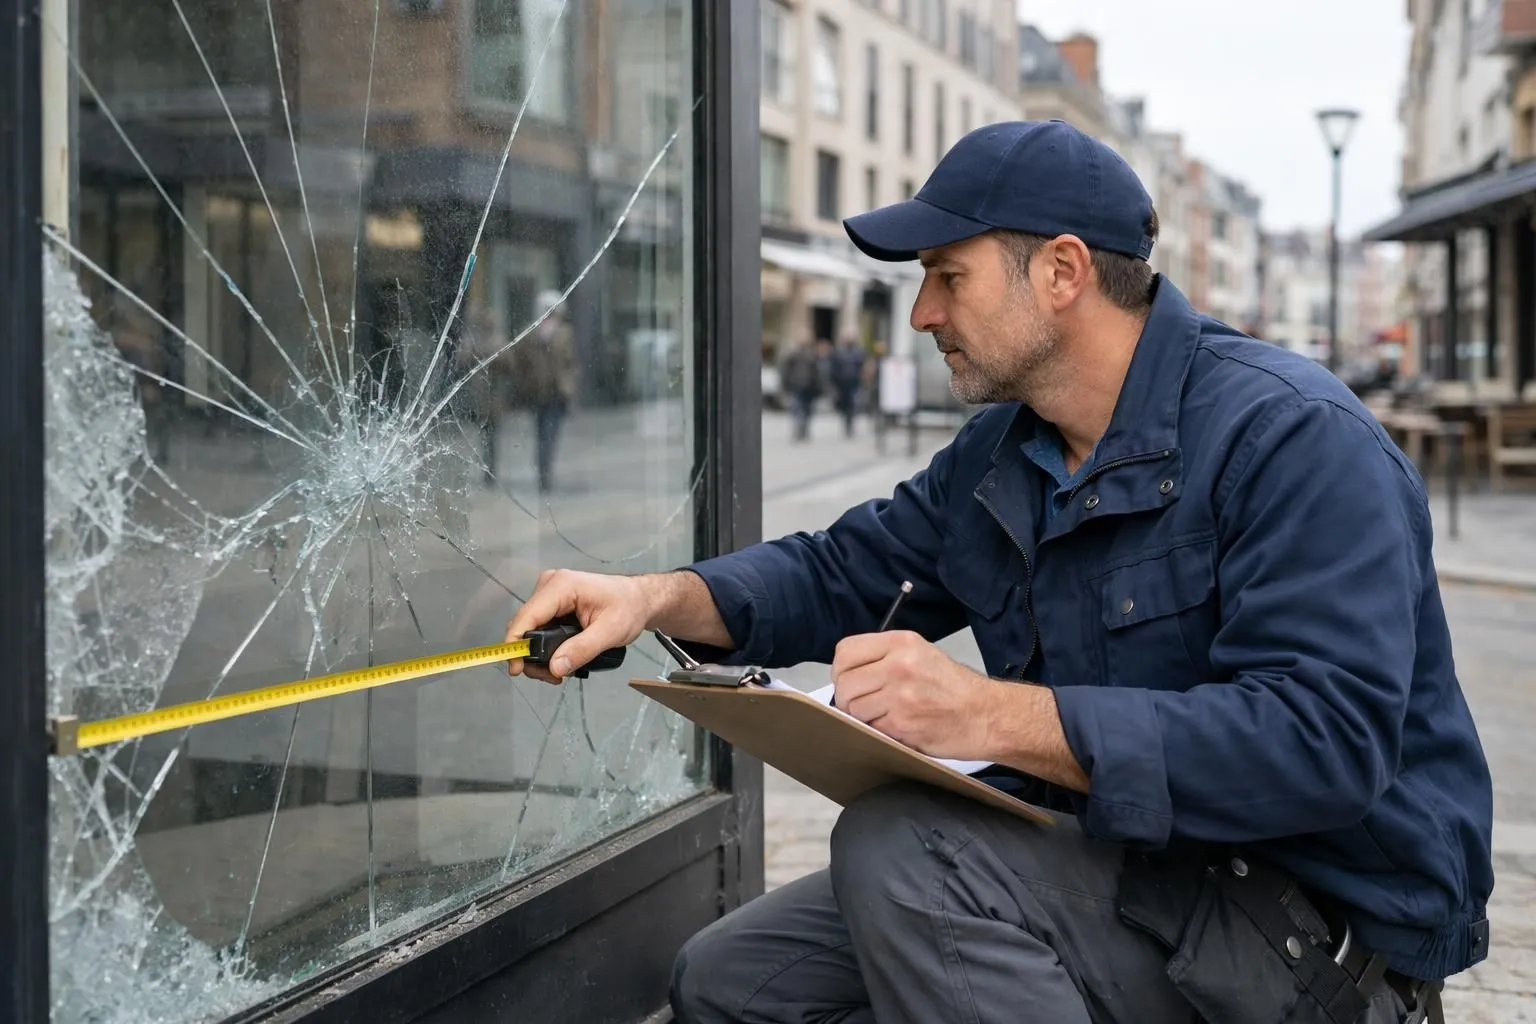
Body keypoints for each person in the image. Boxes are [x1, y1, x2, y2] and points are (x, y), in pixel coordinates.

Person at [504, 120, 1493, 1024]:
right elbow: (846, 569)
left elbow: (1320, 742)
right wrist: (652, 597)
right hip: (1127, 875)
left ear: (1060, 270)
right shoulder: (1008, 452)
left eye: (948, 274)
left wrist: (986, 716)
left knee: (902, 852)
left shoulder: (1293, 439)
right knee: (730, 980)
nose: (924, 312)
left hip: (1309, 944)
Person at [507, 290, 577, 493]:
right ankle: (543, 470)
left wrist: (569, 386)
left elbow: (570, 363)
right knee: (542, 433)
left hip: (557, 393)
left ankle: (545, 470)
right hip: (537, 392)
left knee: (550, 433)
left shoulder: (564, 334)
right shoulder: (531, 333)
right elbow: (519, 359)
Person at [778, 332, 823, 442]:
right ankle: (797, 429)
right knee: (796, 408)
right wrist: (785, 385)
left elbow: (817, 372)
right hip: (796, 385)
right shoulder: (792, 354)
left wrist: (819, 387)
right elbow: (785, 371)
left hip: (809, 386)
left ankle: (805, 429)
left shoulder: (812, 355)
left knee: (808, 409)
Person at [830, 332, 867, 437]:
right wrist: (835, 381)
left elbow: (862, 367)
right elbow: (834, 368)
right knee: (845, 405)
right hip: (842, 384)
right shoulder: (839, 353)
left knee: (853, 404)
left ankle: (850, 424)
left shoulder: (858, 353)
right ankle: (847, 423)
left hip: (854, 383)